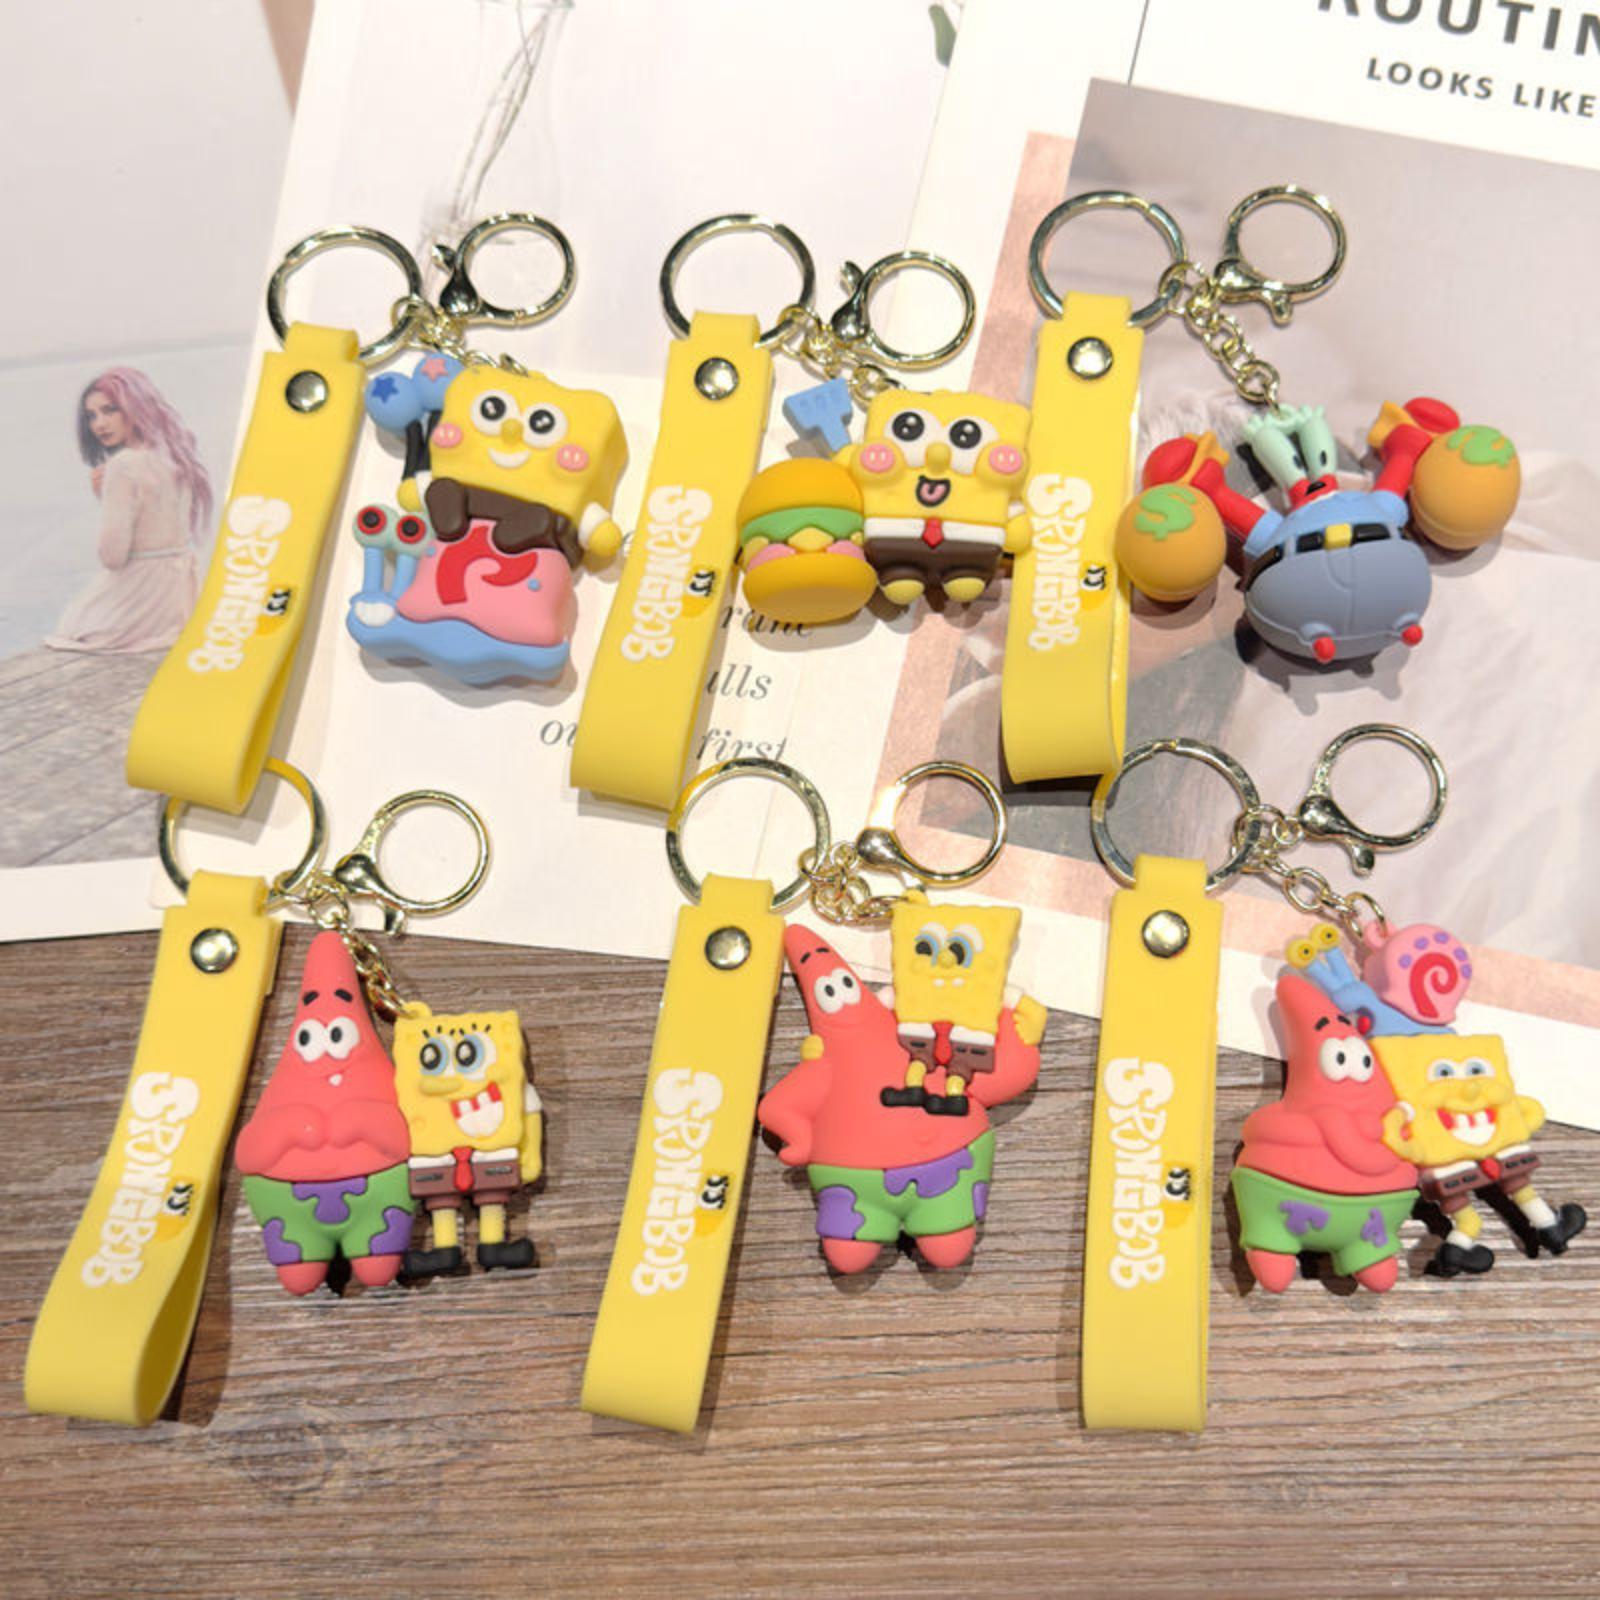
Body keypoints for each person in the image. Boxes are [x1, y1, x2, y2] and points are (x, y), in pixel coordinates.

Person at [46, 367, 213, 653]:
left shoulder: (123, 466)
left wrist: (107, 498)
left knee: (76, 625)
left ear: (136, 407)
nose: (99, 424)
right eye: (91, 416)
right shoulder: (177, 456)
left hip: (140, 600)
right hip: (183, 597)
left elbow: (112, 557)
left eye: (110, 410)